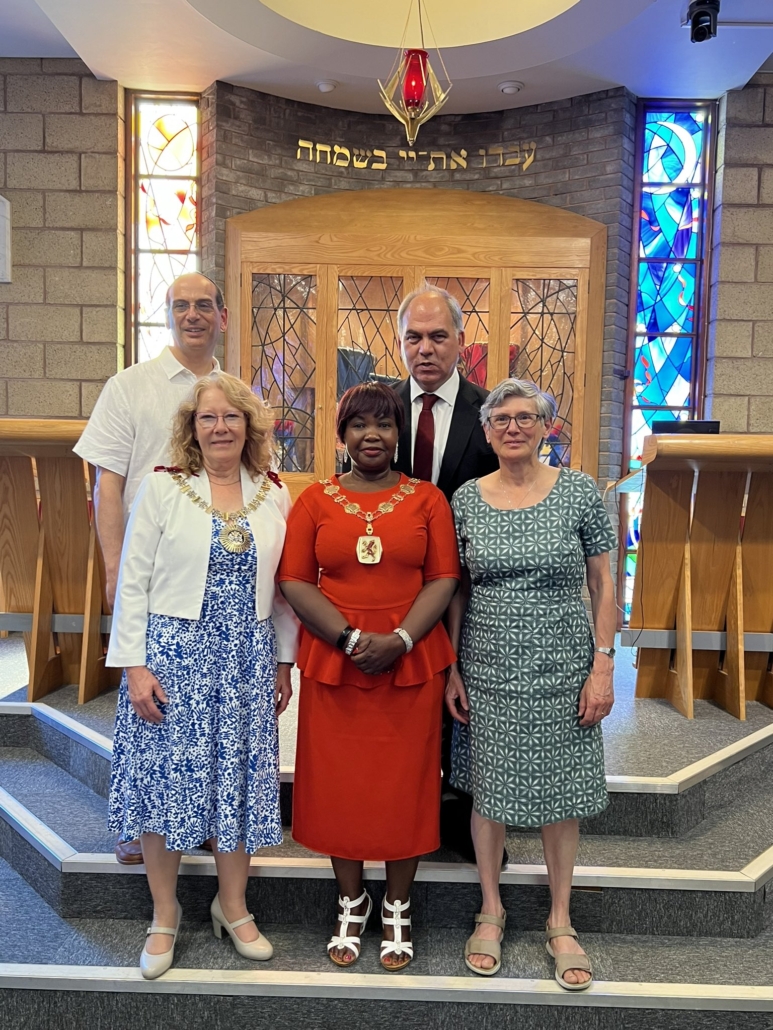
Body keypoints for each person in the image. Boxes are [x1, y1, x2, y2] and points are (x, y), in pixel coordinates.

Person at [106, 373, 299, 979]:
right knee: (167, 786)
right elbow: (132, 581)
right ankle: (164, 916)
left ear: (250, 427)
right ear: (192, 429)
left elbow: (287, 593)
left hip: (245, 657)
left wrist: (284, 661)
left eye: (231, 417)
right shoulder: (164, 489)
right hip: (173, 657)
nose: (220, 428)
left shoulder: (273, 493)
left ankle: (233, 906)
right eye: (207, 418)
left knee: (235, 785)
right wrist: (134, 667)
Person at [278, 382, 459, 971]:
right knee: (340, 786)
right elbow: (296, 581)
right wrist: (351, 638)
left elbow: (443, 579)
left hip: (411, 662)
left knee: (405, 785)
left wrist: (403, 638)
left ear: (399, 432)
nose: (372, 435)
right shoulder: (316, 500)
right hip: (339, 660)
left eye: (383, 423)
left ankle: (399, 905)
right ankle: (351, 901)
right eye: (359, 425)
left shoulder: (428, 499)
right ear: (342, 434)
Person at [446, 378, 616, 988]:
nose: (513, 427)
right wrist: (453, 668)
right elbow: (458, 588)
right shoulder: (465, 498)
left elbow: (603, 583)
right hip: (488, 664)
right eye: (502, 419)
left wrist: (603, 665)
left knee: (560, 792)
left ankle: (561, 918)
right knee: (489, 789)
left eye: (527, 417)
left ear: (547, 428)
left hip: (564, 665)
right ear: (487, 432)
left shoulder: (578, 492)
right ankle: (490, 908)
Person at [75, 271, 227, 865]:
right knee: (148, 702)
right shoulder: (129, 386)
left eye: (203, 305)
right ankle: (139, 823)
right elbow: (106, 487)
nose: (193, 314)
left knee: (208, 703)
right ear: (168, 314)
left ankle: (205, 817)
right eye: (181, 305)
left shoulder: (233, 390)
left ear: (221, 315)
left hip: (219, 570)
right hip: (150, 568)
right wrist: (115, 570)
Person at [391, 284, 499, 862]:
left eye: (438, 336)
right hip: (389, 591)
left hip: (467, 593)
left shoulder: (490, 415)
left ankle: (460, 819)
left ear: (460, 341)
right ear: (400, 342)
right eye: (414, 337)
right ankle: (398, 813)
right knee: (399, 711)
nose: (425, 349)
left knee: (462, 706)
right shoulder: (377, 406)